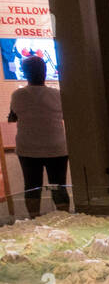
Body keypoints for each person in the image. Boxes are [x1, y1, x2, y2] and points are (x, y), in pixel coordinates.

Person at [6, 54, 68, 219]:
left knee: (32, 186)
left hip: (29, 148)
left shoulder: (18, 95)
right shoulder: (57, 94)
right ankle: (66, 220)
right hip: (56, 147)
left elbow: (12, 117)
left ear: (25, 73)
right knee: (58, 185)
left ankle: (34, 221)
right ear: (45, 71)